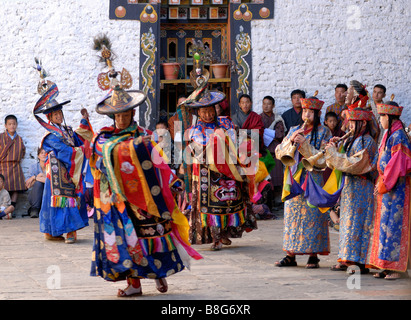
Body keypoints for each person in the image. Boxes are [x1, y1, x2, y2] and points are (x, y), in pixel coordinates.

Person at [90, 35, 202, 297]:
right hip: (119, 201)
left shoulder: (144, 136)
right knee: (128, 242)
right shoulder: (105, 137)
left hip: (147, 200)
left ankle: (159, 274)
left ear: (132, 114)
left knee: (154, 236)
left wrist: (173, 181)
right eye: (116, 115)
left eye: (124, 114)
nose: (120, 118)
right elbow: (99, 155)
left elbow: (159, 161)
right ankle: (134, 284)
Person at [33, 62, 93, 244]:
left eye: (60, 113)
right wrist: (79, 153)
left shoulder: (66, 130)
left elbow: (78, 139)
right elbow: (64, 151)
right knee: (60, 201)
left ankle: (70, 231)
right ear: (49, 118)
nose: (59, 116)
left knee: (71, 199)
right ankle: (54, 231)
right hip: (58, 172)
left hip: (69, 170)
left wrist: (84, 120)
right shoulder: (50, 135)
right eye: (55, 115)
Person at [275, 94, 331, 268]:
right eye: (304, 111)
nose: (306, 115)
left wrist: (305, 145)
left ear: (317, 113)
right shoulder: (293, 129)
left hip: (313, 178)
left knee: (313, 215)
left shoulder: (324, 132)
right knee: (292, 217)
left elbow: (324, 159)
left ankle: (313, 255)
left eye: (310, 112)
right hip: (293, 178)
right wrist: (291, 141)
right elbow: (279, 151)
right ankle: (290, 255)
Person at [325, 101, 378, 274]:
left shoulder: (368, 141)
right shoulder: (350, 140)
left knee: (358, 224)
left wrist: (334, 154)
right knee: (347, 223)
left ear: (362, 123)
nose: (349, 126)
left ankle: (358, 261)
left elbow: (355, 163)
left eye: (353, 122)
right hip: (349, 186)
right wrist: (335, 147)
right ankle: (345, 257)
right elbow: (340, 160)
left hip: (362, 187)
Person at [369, 101, 411, 280]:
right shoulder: (389, 134)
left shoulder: (399, 136)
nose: (380, 120)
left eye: (382, 116)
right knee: (384, 226)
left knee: (395, 226)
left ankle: (396, 267)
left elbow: (397, 165)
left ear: (389, 116)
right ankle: (385, 264)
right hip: (386, 186)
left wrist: (383, 183)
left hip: (397, 188)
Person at [259, 95, 285, 210]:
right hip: (263, 152)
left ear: (273, 106)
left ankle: (276, 201)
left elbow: (280, 134)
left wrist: (268, 133)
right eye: (264, 103)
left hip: (275, 152)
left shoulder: (278, 119)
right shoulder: (258, 118)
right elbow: (257, 133)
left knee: (277, 177)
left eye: (269, 104)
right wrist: (272, 134)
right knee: (264, 179)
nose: (266, 106)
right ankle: (266, 202)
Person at [0, 114, 26, 216]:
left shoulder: (19, 139)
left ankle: (12, 207)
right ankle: (4, 207)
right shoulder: (1, 137)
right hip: (2, 165)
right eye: (10, 124)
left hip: (15, 165)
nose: (12, 126)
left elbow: (23, 151)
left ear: (16, 125)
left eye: (14, 124)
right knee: (3, 186)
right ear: (5, 125)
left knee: (17, 186)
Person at [25, 147, 47, 218]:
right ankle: (35, 210)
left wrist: (35, 178)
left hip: (47, 196)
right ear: (38, 156)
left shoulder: (52, 167)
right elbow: (28, 185)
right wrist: (42, 177)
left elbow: (51, 182)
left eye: (45, 153)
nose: (44, 155)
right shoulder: (33, 167)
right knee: (38, 184)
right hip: (35, 197)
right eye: (41, 153)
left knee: (40, 183)